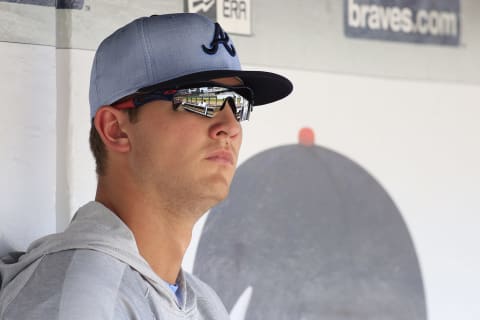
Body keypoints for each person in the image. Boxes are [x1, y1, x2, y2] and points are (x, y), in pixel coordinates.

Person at [0, 13, 292, 319]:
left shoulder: (204, 303)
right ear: (116, 129)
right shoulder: (79, 300)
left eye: (238, 104)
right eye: (203, 100)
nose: (230, 126)